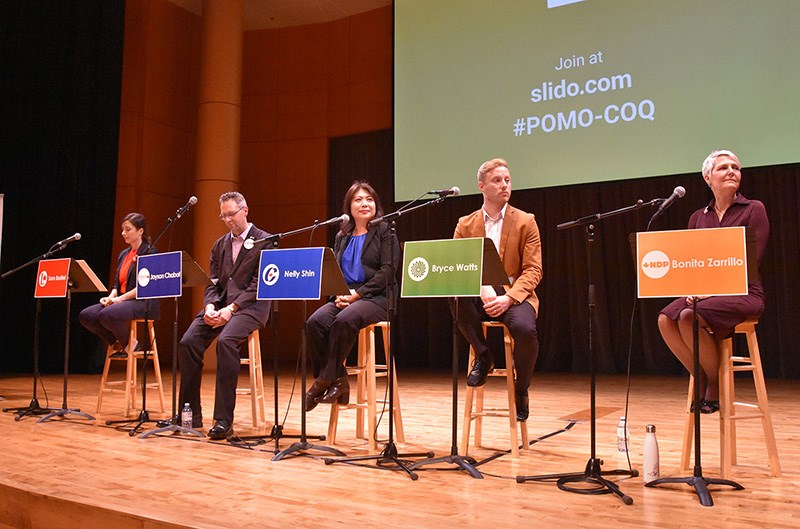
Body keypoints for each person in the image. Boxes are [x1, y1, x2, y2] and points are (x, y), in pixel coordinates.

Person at [658, 150, 769, 414]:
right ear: (708, 177)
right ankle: (699, 375)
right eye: (723, 168)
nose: (731, 171)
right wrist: (697, 288)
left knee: (688, 317)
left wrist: (710, 291)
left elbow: (752, 261)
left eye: (735, 167)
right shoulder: (698, 217)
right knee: (665, 319)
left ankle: (714, 386)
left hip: (744, 292)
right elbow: (693, 262)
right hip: (704, 294)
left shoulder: (754, 209)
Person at [451, 158, 543, 421]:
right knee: (454, 295)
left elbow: (533, 270)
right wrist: (481, 288)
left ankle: (521, 387)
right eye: (497, 180)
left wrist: (508, 298)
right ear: (482, 186)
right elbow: (458, 266)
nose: (504, 185)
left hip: (514, 294)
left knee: (525, 330)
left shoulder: (526, 221)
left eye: (507, 180)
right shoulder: (465, 224)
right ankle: (483, 355)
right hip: (479, 293)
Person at [178, 192, 272, 439]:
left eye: (232, 214)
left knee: (226, 341)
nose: (228, 219)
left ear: (245, 210)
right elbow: (213, 282)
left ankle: (223, 420)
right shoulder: (219, 244)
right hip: (220, 305)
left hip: (251, 307)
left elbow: (258, 284)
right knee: (188, 342)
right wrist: (210, 306)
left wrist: (232, 309)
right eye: (224, 215)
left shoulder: (265, 241)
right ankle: (189, 414)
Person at [304, 181, 399, 412]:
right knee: (314, 323)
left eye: (369, 199)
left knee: (344, 320)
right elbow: (335, 270)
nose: (364, 203)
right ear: (349, 206)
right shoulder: (342, 236)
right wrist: (338, 291)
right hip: (345, 296)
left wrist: (357, 295)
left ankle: (322, 381)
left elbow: (387, 271)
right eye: (358, 199)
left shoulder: (385, 230)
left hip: (376, 297)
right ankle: (339, 380)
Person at [79, 213, 159, 356]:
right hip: (122, 300)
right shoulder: (123, 254)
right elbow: (117, 284)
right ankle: (121, 342)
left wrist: (119, 299)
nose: (123, 233)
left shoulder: (150, 252)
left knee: (107, 314)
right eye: (123, 229)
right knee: (87, 315)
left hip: (142, 301)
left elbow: (145, 286)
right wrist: (111, 296)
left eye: (128, 229)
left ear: (140, 231)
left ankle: (128, 344)